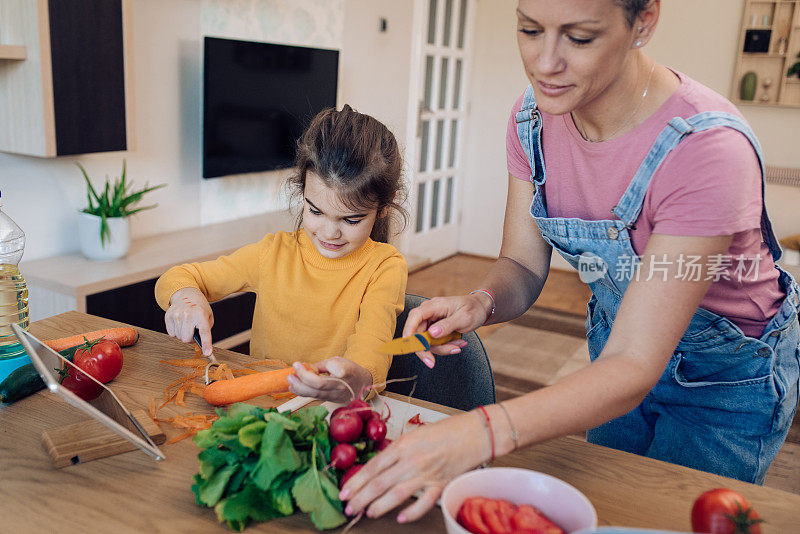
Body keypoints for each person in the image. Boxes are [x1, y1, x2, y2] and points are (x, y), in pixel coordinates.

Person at [339, 0, 800, 523]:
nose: (545, 62)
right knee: (607, 511)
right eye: (530, 30)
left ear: (643, 21)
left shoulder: (708, 149)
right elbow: (521, 263)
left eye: (579, 38)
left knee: (671, 518)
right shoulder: (532, 120)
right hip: (615, 358)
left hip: (724, 384)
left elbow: (635, 361)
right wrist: (479, 302)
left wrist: (476, 434)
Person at [154, 105, 408, 402]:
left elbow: (371, 354)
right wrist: (187, 299)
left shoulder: (384, 267)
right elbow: (178, 277)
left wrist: (355, 379)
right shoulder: (273, 253)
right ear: (302, 193)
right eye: (315, 211)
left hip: (333, 410)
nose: (329, 233)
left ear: (383, 209)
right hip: (261, 409)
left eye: (351, 220)